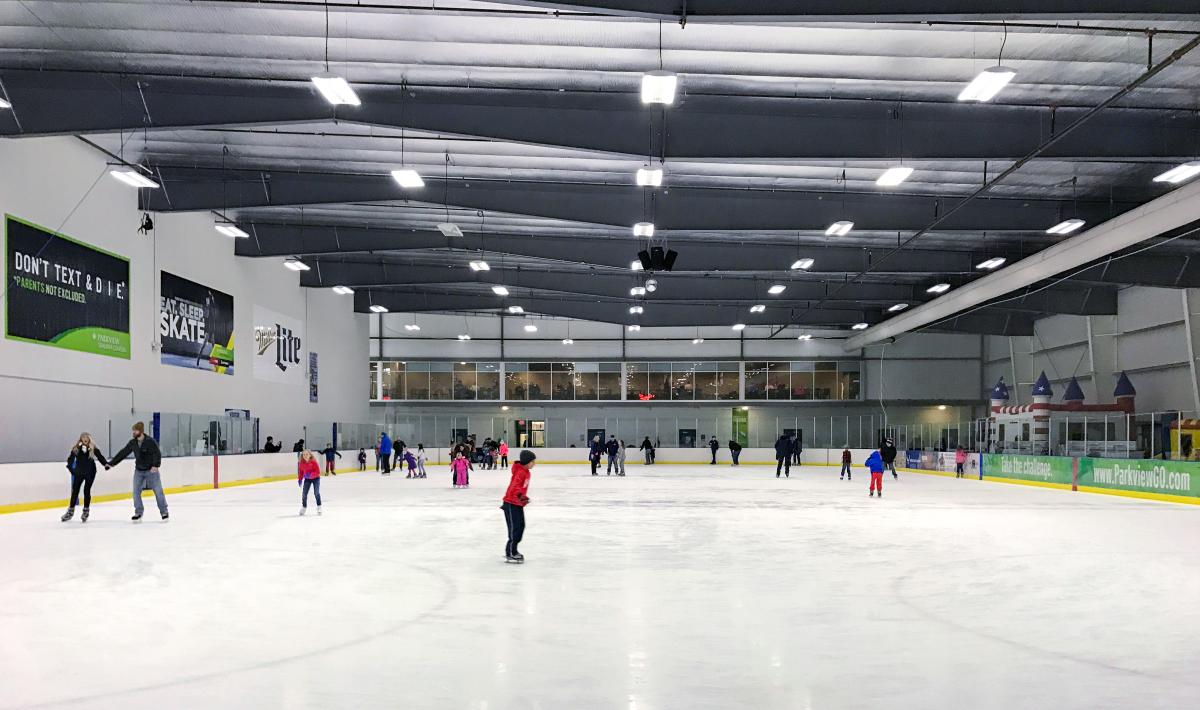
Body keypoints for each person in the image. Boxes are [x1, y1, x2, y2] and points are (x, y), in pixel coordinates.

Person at [108, 421, 167, 522]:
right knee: (136, 492)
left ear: (140, 431)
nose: (133, 432)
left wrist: (156, 465)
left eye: (135, 430)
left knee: (158, 491)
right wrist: (112, 463)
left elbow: (157, 453)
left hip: (151, 470)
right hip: (139, 471)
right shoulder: (133, 443)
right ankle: (138, 512)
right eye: (133, 431)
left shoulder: (150, 441)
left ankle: (164, 511)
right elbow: (123, 452)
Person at [61, 432, 108, 523]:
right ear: (81, 439)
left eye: (87, 437)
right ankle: (70, 512)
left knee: (86, 490)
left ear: (89, 439)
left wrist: (106, 464)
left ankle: (85, 511)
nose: (85, 438)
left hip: (90, 472)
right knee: (75, 491)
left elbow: (100, 457)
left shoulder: (93, 448)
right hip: (79, 472)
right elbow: (70, 459)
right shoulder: (76, 448)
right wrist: (71, 469)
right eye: (83, 437)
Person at [502, 450, 536, 563]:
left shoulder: (527, 472)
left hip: (517, 503)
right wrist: (521, 496)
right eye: (532, 461)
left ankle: (514, 550)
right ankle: (510, 552)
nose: (534, 464)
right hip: (511, 503)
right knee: (515, 528)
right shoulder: (520, 472)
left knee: (521, 526)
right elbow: (514, 487)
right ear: (527, 462)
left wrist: (523, 498)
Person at [297, 449, 322, 515]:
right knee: (304, 494)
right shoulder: (301, 463)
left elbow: (318, 472)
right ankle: (304, 507)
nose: (305, 456)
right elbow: (301, 472)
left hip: (316, 478)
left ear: (310, 455)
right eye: (304, 454)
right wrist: (300, 479)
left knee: (316, 493)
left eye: (307, 454)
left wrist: (311, 475)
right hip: (307, 479)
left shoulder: (313, 462)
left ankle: (319, 506)